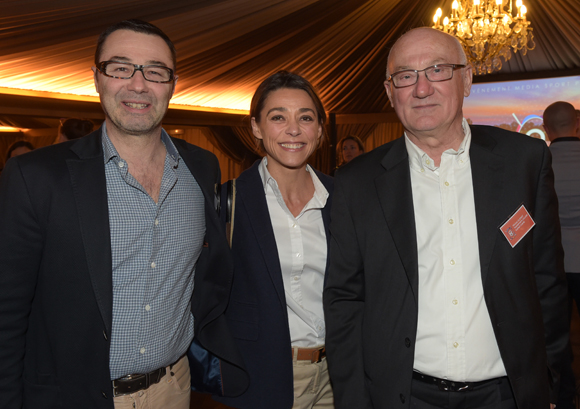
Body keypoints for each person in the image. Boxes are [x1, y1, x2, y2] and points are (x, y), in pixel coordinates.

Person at [0, 19, 246, 409]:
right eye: (120, 68)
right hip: (72, 395)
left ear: (172, 84)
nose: (138, 84)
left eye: (155, 71)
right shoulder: (35, 177)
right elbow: (7, 312)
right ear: (96, 78)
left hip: (174, 389)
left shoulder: (203, 168)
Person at [323, 27, 568, 409]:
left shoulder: (525, 161)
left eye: (438, 70)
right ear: (391, 93)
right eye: (406, 76)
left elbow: (546, 283)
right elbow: (345, 300)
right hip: (404, 396)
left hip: (508, 394)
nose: (422, 89)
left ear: (466, 79)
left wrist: (553, 384)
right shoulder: (358, 182)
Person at [215, 71, 334, 409]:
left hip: (337, 377)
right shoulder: (228, 202)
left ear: (320, 130)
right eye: (278, 117)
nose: (293, 129)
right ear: (256, 127)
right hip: (263, 377)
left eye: (306, 118)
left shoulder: (343, 199)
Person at [543, 101, 580, 409]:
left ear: (545, 128)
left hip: (551, 266)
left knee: (556, 339)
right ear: (577, 124)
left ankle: (564, 398)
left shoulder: (537, 162)